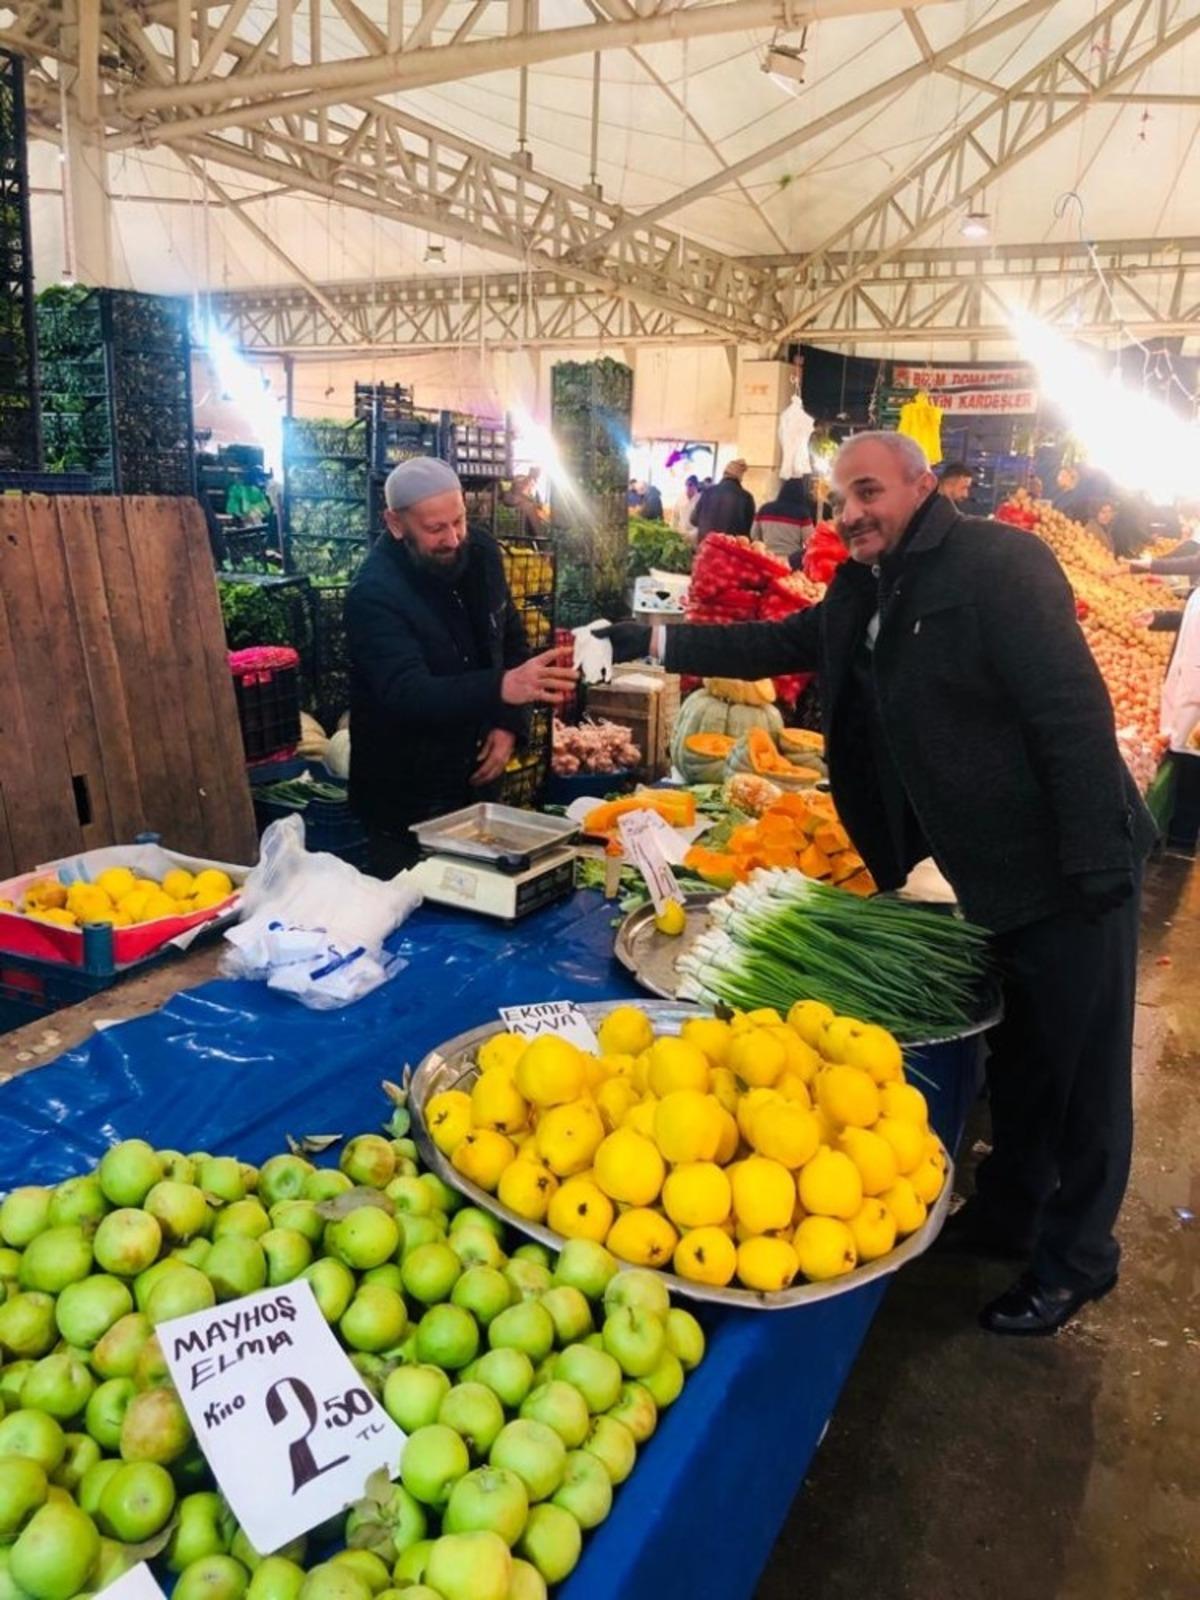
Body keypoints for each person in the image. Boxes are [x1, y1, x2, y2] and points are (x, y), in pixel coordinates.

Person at [601, 431, 1155, 1335]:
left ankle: (1079, 1258)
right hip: (989, 876)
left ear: (921, 484)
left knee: (1085, 1076)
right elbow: (779, 639)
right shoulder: (866, 584)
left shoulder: (1000, 566)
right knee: (1023, 1063)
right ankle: (1011, 1215)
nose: (853, 512)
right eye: (840, 499)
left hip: (1068, 864)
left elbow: (1069, 712)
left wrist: (1095, 865)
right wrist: (649, 637)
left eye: (869, 492)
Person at [345, 457, 577, 877]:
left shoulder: (482, 552)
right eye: (435, 529)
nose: (453, 538)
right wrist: (500, 688)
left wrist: (509, 724)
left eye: (459, 521)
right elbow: (406, 692)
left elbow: (509, 639)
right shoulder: (373, 594)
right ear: (396, 524)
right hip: (405, 797)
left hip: (476, 784)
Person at [752, 476, 815, 565]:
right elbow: (810, 541)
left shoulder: (764, 509)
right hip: (790, 562)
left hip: (766, 559)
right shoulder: (802, 513)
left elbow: (754, 535)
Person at [691, 458, 755, 542]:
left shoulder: (707, 492)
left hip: (705, 548)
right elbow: (747, 532)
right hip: (729, 551)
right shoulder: (746, 497)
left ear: (724, 474)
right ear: (740, 476)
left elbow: (693, 520)